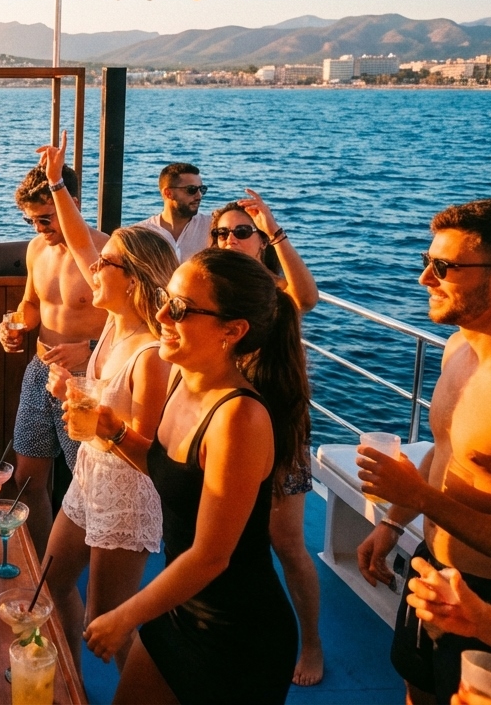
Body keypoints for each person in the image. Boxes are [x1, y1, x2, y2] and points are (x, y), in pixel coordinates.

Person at [84, 248, 310, 705]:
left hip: (238, 634)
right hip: (181, 608)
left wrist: (124, 616)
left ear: (233, 330)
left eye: (181, 308)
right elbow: (168, 470)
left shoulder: (239, 419)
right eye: (167, 298)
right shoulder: (183, 381)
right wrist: (112, 432)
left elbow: (211, 556)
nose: (162, 313)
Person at [356, 198, 491, 705]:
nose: (424, 279)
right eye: (427, 262)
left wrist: (420, 498)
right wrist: (394, 522)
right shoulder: (460, 347)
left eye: (444, 268)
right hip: (431, 570)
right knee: (416, 688)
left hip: (488, 602)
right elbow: (443, 453)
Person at [38, 138, 178, 675]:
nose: (93, 269)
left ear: (136, 276)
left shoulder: (152, 354)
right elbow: (80, 242)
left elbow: (149, 455)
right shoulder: (116, 324)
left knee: (109, 624)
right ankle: (69, 679)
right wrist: (55, 183)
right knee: (52, 579)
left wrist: (101, 424)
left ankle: (146, 689)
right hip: (88, 480)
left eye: (107, 264)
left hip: (127, 496)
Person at [209, 190, 323, 686]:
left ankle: (312, 641)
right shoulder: (211, 291)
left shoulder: (275, 292)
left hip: (278, 423)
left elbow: (309, 297)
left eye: (240, 232)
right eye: (221, 233)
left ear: (258, 240)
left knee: (287, 542)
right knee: (224, 540)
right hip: (226, 423)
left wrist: (273, 227)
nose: (230, 240)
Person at [0, 156, 109, 556]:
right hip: (39, 372)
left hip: (87, 383)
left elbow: (132, 325)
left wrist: (91, 349)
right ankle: (43, 562)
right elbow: (30, 304)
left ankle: (93, 564)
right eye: (32, 221)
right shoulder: (35, 249)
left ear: (71, 204)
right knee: (27, 479)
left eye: (46, 218)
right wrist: (13, 326)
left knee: (92, 482)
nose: (39, 229)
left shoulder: (108, 252)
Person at [138, 162, 211, 261]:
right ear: (168, 193)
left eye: (202, 189)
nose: (199, 196)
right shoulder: (141, 233)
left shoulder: (212, 226)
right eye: (191, 189)